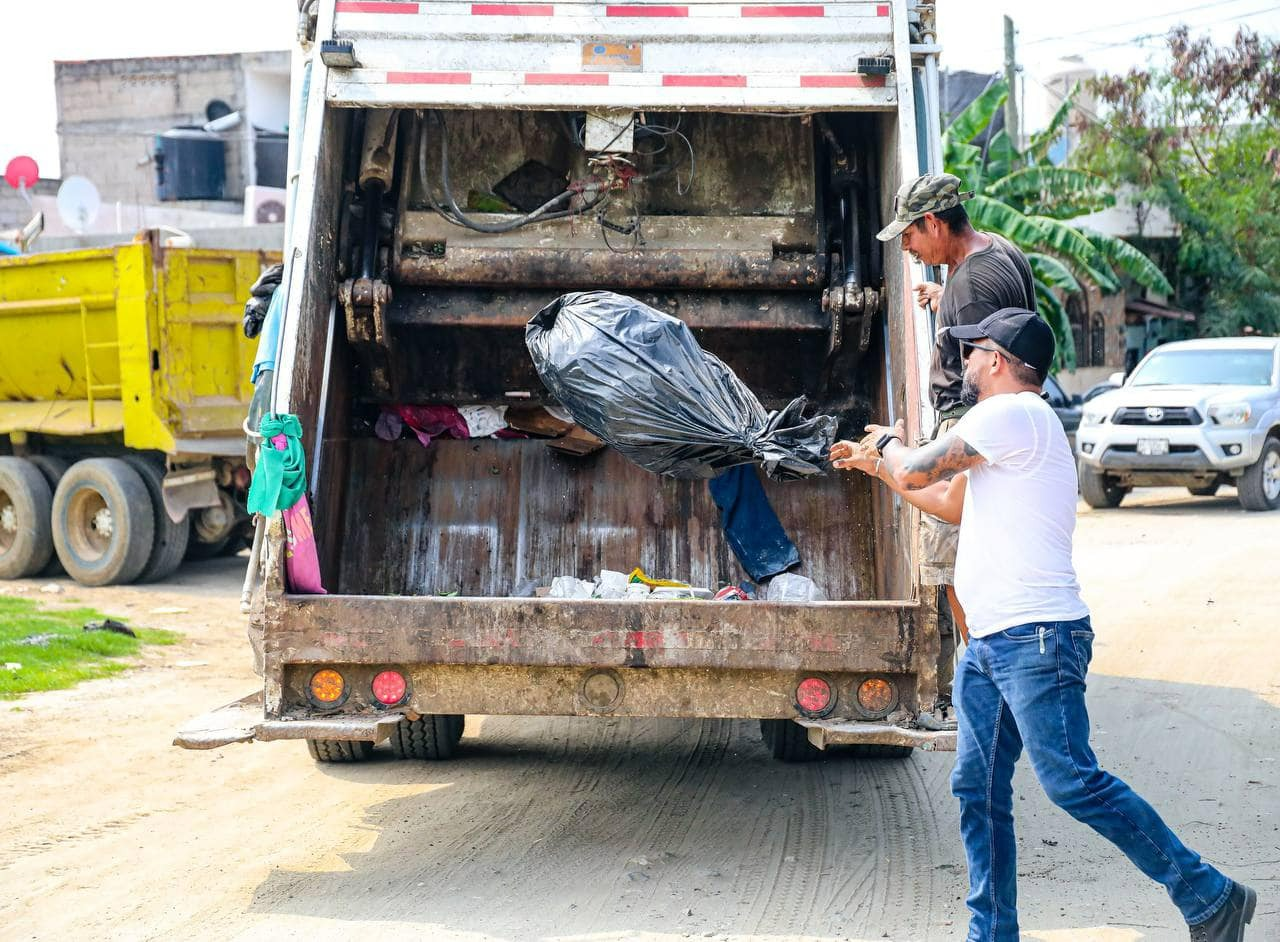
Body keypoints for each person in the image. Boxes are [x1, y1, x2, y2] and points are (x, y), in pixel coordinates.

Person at [829, 307, 1255, 942]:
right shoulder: (1011, 435)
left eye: (973, 353)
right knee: (977, 786)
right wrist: (878, 470)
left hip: (1036, 638)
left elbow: (921, 467)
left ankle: (1208, 894)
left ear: (997, 359)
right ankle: (992, 932)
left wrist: (890, 445)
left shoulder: (1011, 414)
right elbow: (947, 502)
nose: (966, 364)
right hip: (993, 646)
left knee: (1070, 780)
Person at [876, 172, 1037, 652]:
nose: (907, 248)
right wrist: (946, 304)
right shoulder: (1000, 253)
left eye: (909, 235)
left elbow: (988, 369)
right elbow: (1000, 326)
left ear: (933, 222)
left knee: (955, 564)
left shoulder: (970, 284)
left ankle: (981, 668)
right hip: (996, 425)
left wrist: (954, 441)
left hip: (969, 425)